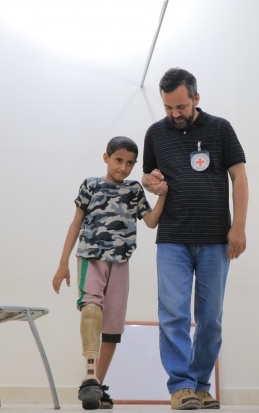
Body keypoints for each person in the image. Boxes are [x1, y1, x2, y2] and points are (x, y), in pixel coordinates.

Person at [142, 68, 248, 410]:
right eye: (168, 107)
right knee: (173, 314)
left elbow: (239, 177)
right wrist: (150, 182)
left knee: (210, 319)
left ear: (196, 98)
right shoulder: (155, 133)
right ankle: (181, 386)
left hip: (216, 239)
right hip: (172, 239)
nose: (175, 114)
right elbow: (147, 176)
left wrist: (239, 226)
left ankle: (201, 385)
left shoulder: (221, 129)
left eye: (181, 107)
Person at [52, 136, 166, 410]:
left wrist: (163, 194)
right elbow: (76, 223)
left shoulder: (134, 190)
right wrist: (63, 263)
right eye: (118, 160)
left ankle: (95, 387)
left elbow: (151, 222)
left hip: (121, 262)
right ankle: (90, 376)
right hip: (91, 258)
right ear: (106, 157)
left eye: (129, 163)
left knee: (113, 328)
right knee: (91, 309)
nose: (123, 168)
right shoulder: (90, 185)